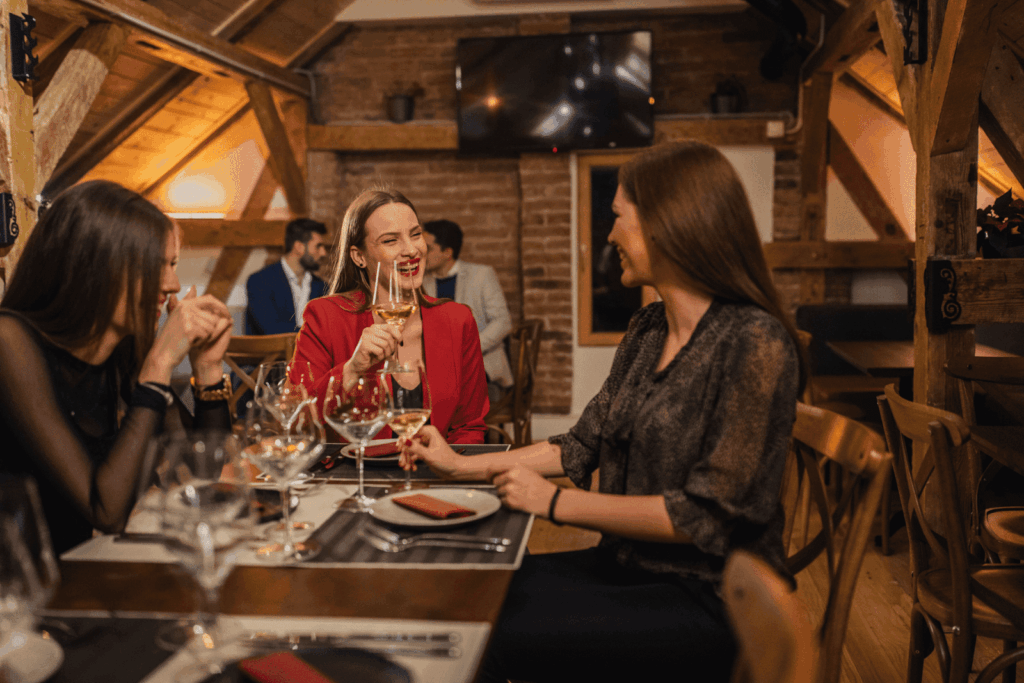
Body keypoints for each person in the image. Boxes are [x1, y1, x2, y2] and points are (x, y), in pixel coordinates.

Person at [405, 140, 806, 682]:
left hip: (713, 597)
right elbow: (580, 444)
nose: (610, 234)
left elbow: (704, 517)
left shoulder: (753, 341)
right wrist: (458, 464)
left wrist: (554, 504)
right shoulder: (649, 329)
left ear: (669, 223)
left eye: (618, 218)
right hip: (626, 565)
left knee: (479, 635)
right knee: (469, 589)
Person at [0, 180, 235, 555]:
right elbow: (105, 511)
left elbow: (206, 476)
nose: (173, 285)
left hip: (84, 576)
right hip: (20, 595)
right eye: (157, 266)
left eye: (173, 265)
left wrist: (207, 370)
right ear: (99, 265)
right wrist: (159, 363)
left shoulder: (121, 353)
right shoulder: (10, 342)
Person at [293, 188, 489, 444]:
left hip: (435, 478)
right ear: (359, 256)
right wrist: (352, 370)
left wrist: (451, 472)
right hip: (354, 476)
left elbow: (470, 427)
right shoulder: (325, 316)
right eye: (390, 240)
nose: (411, 250)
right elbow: (297, 419)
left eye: (416, 235)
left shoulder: (457, 319)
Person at [422, 220, 513, 402]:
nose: (420, 254)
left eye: (428, 248)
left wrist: (467, 349)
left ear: (447, 252)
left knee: (453, 393)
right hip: (438, 370)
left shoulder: (481, 275)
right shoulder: (422, 281)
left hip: (482, 366)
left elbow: (503, 322)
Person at [245, 218, 328, 335]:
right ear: (299, 247)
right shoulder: (260, 281)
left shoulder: (322, 286)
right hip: (271, 352)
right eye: (318, 246)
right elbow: (271, 329)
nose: (323, 253)